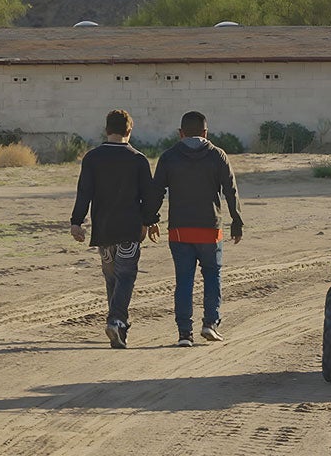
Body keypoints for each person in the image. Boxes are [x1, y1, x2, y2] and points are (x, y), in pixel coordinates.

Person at [145, 110, 243, 347]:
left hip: (179, 231)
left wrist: (150, 219)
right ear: (206, 132)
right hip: (210, 229)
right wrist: (236, 221)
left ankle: (184, 334)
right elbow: (231, 190)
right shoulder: (217, 155)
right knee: (212, 275)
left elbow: (157, 191)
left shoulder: (169, 157)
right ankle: (210, 323)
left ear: (180, 133)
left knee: (184, 280)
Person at [70, 109, 156, 349]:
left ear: (106, 129)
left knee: (112, 277)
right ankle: (117, 320)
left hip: (104, 229)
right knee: (126, 276)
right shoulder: (138, 159)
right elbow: (149, 196)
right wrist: (149, 221)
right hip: (129, 229)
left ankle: (119, 325)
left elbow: (84, 192)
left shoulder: (92, 158)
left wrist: (76, 222)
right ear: (130, 130)